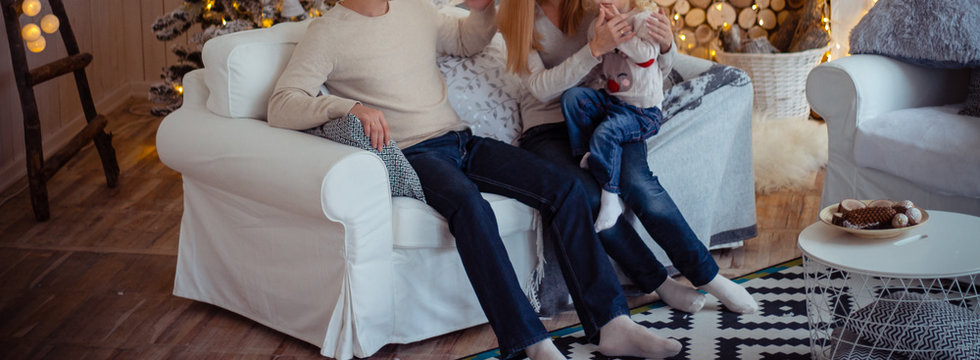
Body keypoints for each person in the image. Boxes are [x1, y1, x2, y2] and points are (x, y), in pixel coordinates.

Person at [266, 0, 682, 358]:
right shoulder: (327, 33)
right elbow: (282, 104)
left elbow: (465, 39)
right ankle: (530, 340)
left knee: (568, 187)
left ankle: (611, 323)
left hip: (460, 139)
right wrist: (347, 106)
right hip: (413, 153)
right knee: (470, 207)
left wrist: (482, 10)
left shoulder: (414, 8)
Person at [498, 0, 759, 315]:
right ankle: (660, 283)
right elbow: (541, 89)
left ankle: (708, 275)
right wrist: (593, 49)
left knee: (638, 183)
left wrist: (666, 46)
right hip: (547, 128)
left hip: (611, 112)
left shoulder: (594, 6)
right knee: (592, 200)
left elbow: (648, 70)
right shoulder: (518, 17)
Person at [565, 0, 674, 232]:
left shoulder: (645, 19)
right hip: (613, 101)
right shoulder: (596, 24)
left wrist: (619, 29)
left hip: (643, 111)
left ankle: (610, 196)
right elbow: (597, 65)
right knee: (573, 98)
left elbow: (646, 58)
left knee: (607, 131)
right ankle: (587, 154)